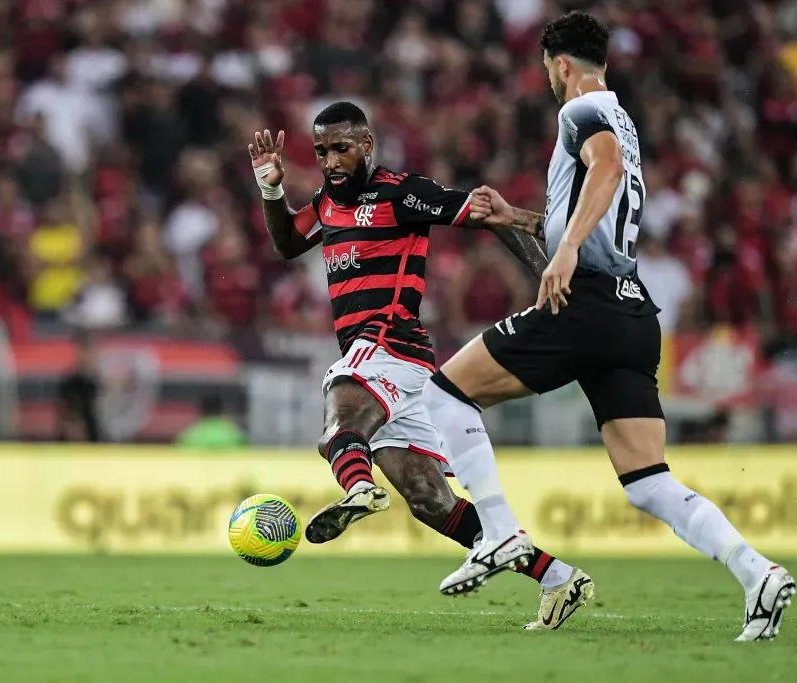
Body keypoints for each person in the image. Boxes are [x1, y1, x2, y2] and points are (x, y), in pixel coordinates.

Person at [420, 11, 796, 641]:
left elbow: (606, 170)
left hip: (586, 307)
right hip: (629, 310)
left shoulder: (581, 112)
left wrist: (564, 252)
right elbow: (594, 199)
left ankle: (500, 531)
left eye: (546, 69)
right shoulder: (623, 117)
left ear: (561, 66)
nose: (546, 79)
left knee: (444, 393)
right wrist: (519, 219)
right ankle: (756, 572)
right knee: (648, 482)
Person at [250, 101, 585, 630]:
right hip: (397, 366)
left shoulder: (402, 191)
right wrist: (271, 188)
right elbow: (290, 242)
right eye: (321, 152)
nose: (331, 161)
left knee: (337, 422)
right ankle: (556, 576)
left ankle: (358, 488)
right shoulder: (327, 203)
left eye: (340, 148)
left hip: (390, 342)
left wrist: (549, 279)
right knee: (431, 501)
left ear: (366, 144)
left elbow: (487, 214)